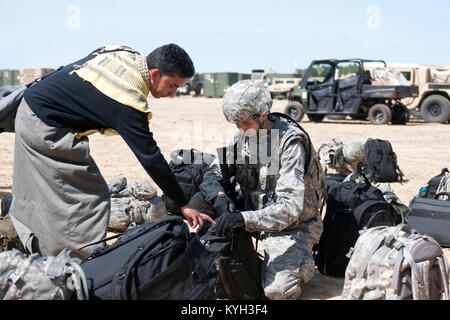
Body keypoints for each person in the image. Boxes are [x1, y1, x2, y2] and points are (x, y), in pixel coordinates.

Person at [9, 44, 213, 261]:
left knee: (54, 192)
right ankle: (73, 261)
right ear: (154, 74)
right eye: (172, 85)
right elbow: (150, 157)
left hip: (35, 108)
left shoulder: (124, 54)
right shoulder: (128, 99)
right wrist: (184, 204)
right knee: (86, 201)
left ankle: (41, 244)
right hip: (45, 127)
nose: (172, 94)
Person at [190, 79, 326, 300]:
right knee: (199, 201)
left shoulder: (290, 143)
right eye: (237, 125)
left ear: (262, 116)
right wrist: (220, 197)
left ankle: (301, 264)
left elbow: (290, 208)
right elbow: (212, 173)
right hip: (255, 217)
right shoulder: (242, 137)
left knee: (276, 291)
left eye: (245, 124)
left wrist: (242, 219)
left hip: (293, 227)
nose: (241, 130)